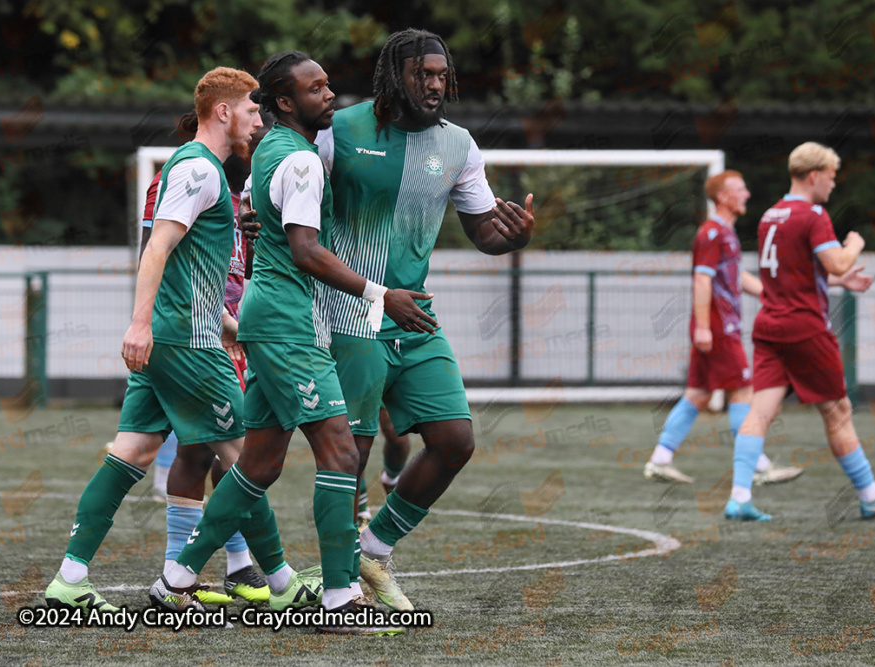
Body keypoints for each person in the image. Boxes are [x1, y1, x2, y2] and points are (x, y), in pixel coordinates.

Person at [151, 51, 431, 634]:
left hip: (266, 316)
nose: (329, 94)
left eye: (328, 84)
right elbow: (305, 250)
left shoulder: (269, 154)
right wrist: (383, 297)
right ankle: (339, 600)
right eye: (315, 88)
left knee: (258, 464)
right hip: (284, 324)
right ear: (283, 102)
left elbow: (268, 229)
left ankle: (174, 582)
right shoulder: (300, 160)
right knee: (340, 453)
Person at [313, 28, 536, 611]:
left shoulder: (459, 144)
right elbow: (292, 207)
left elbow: (484, 229)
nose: (435, 84)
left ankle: (374, 551)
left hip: (413, 316)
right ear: (394, 75)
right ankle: (336, 584)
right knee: (352, 454)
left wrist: (512, 237)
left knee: (455, 440)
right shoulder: (338, 129)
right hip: (346, 314)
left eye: (442, 76)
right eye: (422, 74)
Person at [44, 67, 262, 611]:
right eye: (254, 109)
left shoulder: (212, 173)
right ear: (223, 111)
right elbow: (158, 252)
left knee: (135, 452)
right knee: (248, 461)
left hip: (186, 335)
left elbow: (194, 278)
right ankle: (272, 579)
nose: (260, 120)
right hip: (184, 344)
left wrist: (238, 330)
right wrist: (140, 324)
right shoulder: (195, 168)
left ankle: (71, 579)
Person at [725, 142, 875, 521]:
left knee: (761, 410)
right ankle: (872, 496)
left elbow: (793, 271)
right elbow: (837, 259)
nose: (832, 185)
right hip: (804, 327)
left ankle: (739, 496)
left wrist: (840, 282)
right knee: (839, 410)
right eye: (830, 177)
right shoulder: (814, 215)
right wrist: (855, 244)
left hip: (769, 324)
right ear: (814, 176)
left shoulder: (770, 215)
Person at [644, 171, 802, 486]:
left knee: (698, 395)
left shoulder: (725, 234)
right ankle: (758, 466)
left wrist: (770, 295)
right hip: (717, 328)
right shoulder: (711, 234)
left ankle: (660, 460)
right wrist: (703, 327)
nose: (746, 194)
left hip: (718, 327)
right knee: (743, 390)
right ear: (724, 197)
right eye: (740, 189)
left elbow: (734, 275)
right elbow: (702, 279)